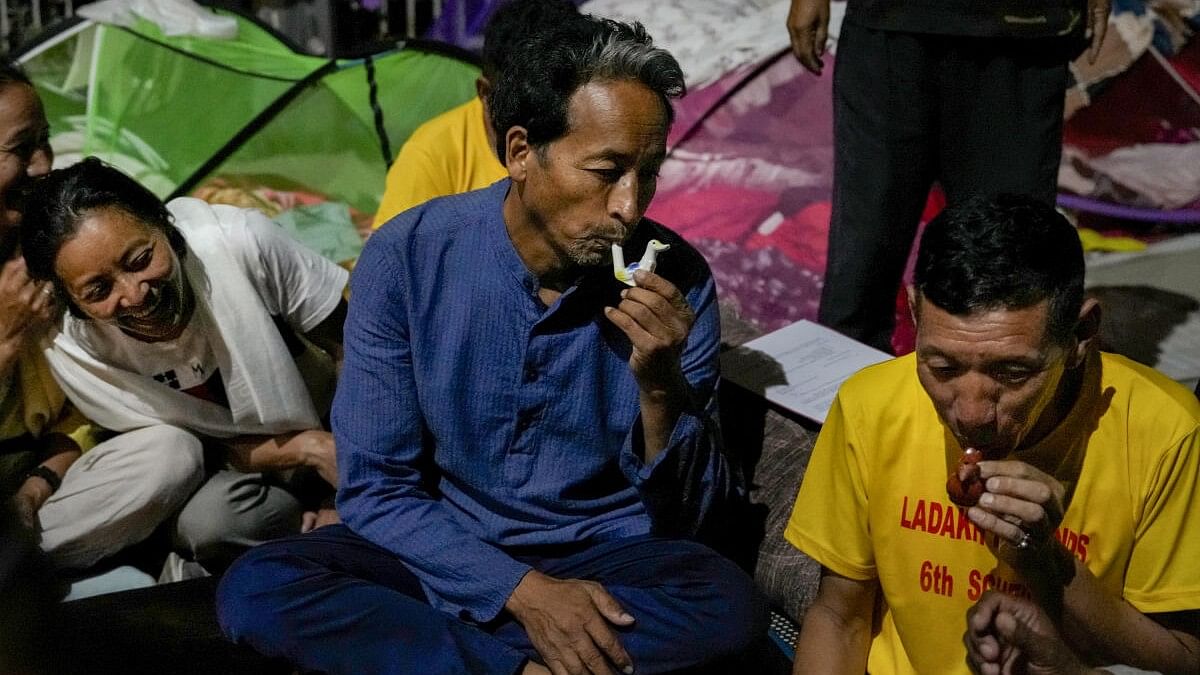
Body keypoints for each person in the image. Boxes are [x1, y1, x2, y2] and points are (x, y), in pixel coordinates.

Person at [217, 16, 761, 675]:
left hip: (603, 559)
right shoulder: (407, 258)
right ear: (521, 151)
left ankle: (448, 655)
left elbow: (698, 520)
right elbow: (378, 486)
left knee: (728, 603)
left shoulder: (680, 279)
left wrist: (660, 385)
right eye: (607, 171)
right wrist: (523, 595)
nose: (629, 206)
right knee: (257, 586)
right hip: (445, 549)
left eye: (648, 174)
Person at [785, 194, 1199, 674]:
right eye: (942, 366)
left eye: (1012, 372)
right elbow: (839, 617)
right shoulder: (870, 407)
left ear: (1082, 336)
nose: (973, 413)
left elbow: (1184, 659)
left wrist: (1044, 561)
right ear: (915, 315)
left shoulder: (1166, 432)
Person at [22, 157, 348, 572]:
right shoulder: (77, 352)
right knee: (213, 522)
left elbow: (355, 349)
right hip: (248, 466)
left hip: (347, 425)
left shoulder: (236, 243)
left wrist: (347, 483)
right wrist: (308, 449)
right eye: (98, 290)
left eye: (140, 260)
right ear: (72, 303)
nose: (135, 295)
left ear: (166, 226)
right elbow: (202, 448)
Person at [787, 0, 1112, 352]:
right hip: (891, 23)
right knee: (866, 250)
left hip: (1021, 30)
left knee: (1010, 253)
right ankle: (845, 393)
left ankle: (1013, 394)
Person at [0, 63, 203, 573]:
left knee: (170, 453)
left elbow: (85, 411)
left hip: (43, 491)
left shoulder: (49, 256)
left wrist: (34, 488)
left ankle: (21, 570)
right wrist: (4, 342)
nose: (44, 165)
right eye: (22, 148)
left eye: (44, 141)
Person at [371, 0, 580, 228]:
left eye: (559, 97)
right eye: (524, 101)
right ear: (485, 92)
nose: (543, 114)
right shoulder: (431, 153)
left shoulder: (596, 135)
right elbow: (394, 257)